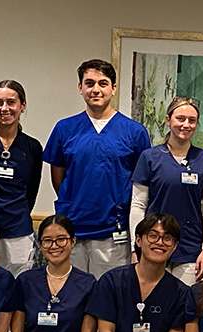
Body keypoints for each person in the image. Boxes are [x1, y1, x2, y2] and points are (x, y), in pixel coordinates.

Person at [44, 59, 151, 280]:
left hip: (113, 231)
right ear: (80, 87)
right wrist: (73, 202)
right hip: (71, 230)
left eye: (103, 83)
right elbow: (58, 177)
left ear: (113, 88)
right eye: (89, 83)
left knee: (109, 295)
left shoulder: (134, 132)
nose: (96, 89)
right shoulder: (65, 129)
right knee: (72, 295)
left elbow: (141, 182)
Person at [129, 96, 203, 286]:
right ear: (168, 120)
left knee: (184, 304)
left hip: (190, 247)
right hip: (153, 243)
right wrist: (135, 249)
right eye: (180, 118)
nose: (186, 125)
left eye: (192, 120)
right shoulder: (149, 158)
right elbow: (138, 206)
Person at [0, 80, 43, 277]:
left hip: (17, 230)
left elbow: (31, 191)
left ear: (23, 105)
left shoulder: (32, 148)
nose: (5, 108)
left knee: (16, 287)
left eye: (11, 102)